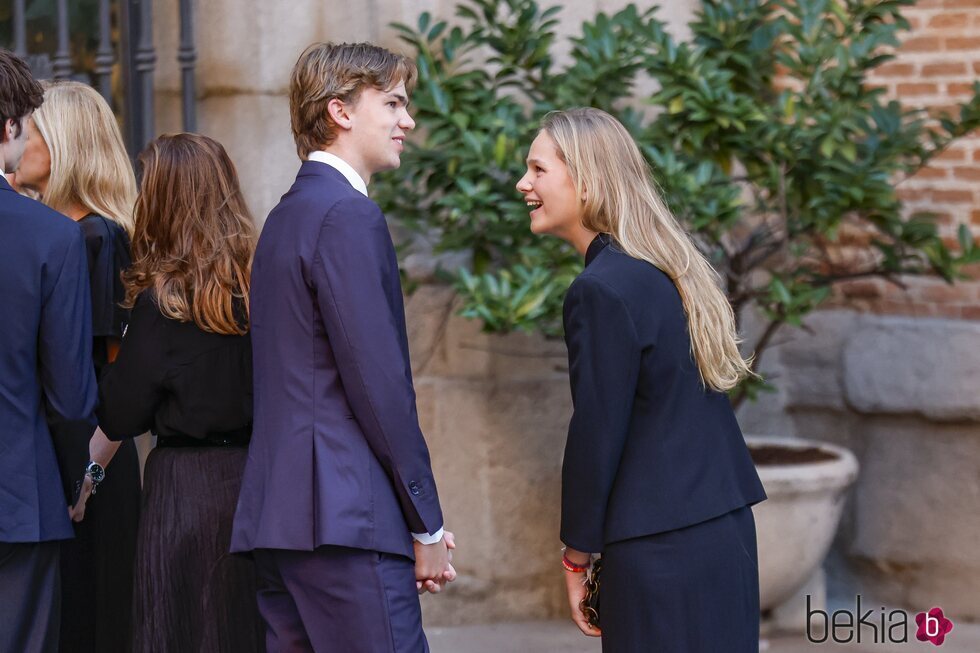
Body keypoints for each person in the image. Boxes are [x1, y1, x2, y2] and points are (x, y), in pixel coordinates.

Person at [516, 107, 768, 652]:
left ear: (586, 178)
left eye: (537, 170)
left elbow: (597, 432)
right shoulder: (665, 269)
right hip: (723, 533)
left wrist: (575, 554)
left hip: (661, 552)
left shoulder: (599, 289)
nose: (523, 183)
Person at [231, 42, 455, 653]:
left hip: (285, 519)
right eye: (393, 103)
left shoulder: (287, 215)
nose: (407, 120)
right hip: (345, 522)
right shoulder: (347, 216)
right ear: (340, 111)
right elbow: (378, 385)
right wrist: (427, 521)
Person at [95, 133, 263, 652]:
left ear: (165, 200)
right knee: (240, 631)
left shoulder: (161, 303)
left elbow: (121, 414)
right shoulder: (261, 287)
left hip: (183, 491)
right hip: (252, 481)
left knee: (177, 629)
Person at [11, 79, 141, 653]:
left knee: (88, 621)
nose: (20, 141)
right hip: (62, 462)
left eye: (33, 129)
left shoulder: (95, 236)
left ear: (62, 143)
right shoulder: (54, 234)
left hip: (90, 463)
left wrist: (85, 474)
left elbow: (106, 377)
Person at [0, 49, 97, 653]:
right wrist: (75, 482)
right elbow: (69, 394)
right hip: (17, 494)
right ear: (6, 126)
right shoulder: (51, 236)